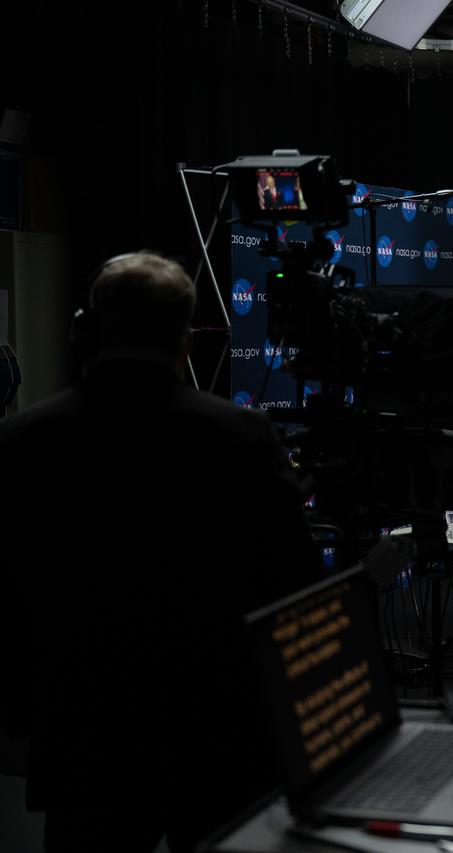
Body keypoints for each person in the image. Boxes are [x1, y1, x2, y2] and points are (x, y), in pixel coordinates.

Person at [0, 252, 322, 852]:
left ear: (85, 331)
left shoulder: (21, 440)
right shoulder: (243, 437)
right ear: (186, 342)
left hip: (81, 737)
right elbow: (294, 586)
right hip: (220, 734)